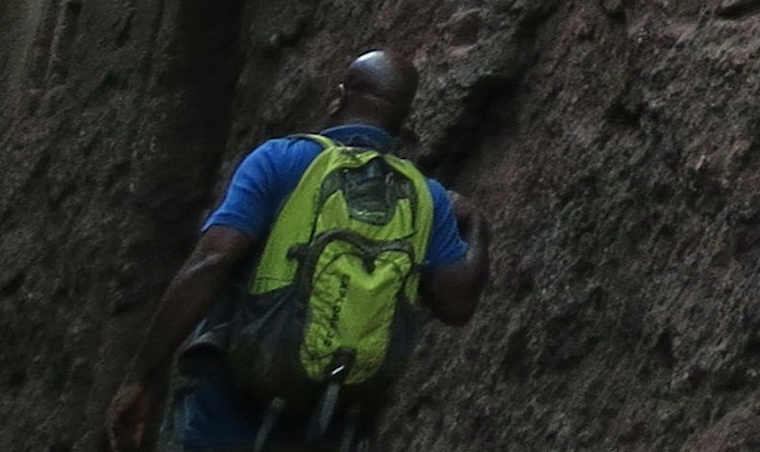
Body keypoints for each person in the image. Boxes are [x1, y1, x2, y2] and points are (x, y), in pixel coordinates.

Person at [107, 49, 490, 450]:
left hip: (230, 410)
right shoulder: (426, 200)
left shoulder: (282, 160)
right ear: (403, 119)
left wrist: (140, 376)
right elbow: (458, 304)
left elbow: (211, 261)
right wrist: (476, 222)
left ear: (339, 97)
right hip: (335, 424)